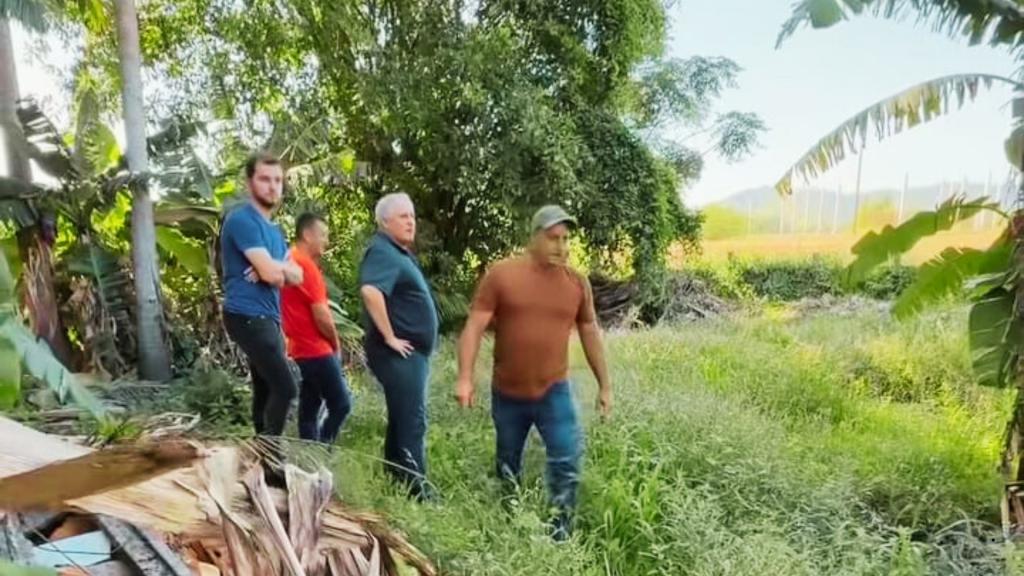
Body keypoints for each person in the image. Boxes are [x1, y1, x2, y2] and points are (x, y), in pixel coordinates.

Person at [455, 205, 612, 541]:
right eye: (554, 238)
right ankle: (510, 520)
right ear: (535, 237)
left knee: (567, 457)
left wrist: (605, 385)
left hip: (554, 390)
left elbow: (590, 331)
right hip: (508, 391)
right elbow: (474, 326)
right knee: (508, 462)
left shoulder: (576, 283)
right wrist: (465, 378)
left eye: (566, 239)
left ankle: (560, 532)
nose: (562, 247)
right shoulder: (502, 275)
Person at [358, 192, 439, 500]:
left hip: (409, 355)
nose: (411, 222)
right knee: (412, 420)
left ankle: (395, 478)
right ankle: (418, 492)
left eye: (412, 216)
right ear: (385, 221)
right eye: (403, 216)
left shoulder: (396, 253)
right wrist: (390, 336)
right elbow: (370, 291)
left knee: (402, 416)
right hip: (398, 353)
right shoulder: (382, 251)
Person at [220, 151, 304, 441]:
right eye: (265, 179)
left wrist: (273, 267)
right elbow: (272, 275)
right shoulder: (242, 221)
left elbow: (296, 276)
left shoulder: (274, 232)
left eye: (278, 180)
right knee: (286, 387)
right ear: (249, 183)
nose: (272, 186)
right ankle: (270, 455)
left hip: (268, 317)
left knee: (265, 389)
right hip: (246, 315)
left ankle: (261, 454)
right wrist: (273, 269)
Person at [281, 212, 352, 445]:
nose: (326, 241)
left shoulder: (287, 259)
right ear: (307, 235)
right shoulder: (306, 267)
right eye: (323, 235)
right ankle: (322, 447)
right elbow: (321, 315)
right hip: (316, 348)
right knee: (341, 404)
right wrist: (335, 342)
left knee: (310, 405)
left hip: (298, 348)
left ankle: (309, 450)